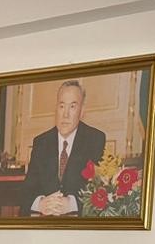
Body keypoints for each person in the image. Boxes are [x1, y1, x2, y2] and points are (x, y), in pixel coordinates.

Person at [20, 79, 107, 217]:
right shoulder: (41, 142)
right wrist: (40, 203)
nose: (65, 114)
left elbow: (100, 191)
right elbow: (27, 191)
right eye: (61, 106)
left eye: (72, 107)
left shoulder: (94, 139)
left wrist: (71, 204)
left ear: (82, 111)